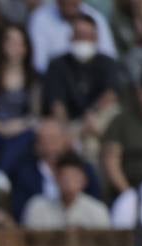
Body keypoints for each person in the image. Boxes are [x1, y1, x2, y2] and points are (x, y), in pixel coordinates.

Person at [42, 12, 122, 154]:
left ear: (96, 38)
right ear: (71, 37)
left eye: (87, 36)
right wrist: (68, 129)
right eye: (79, 35)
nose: (83, 40)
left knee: (111, 115)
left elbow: (111, 94)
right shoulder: (57, 65)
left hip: (97, 118)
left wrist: (93, 114)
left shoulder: (108, 63)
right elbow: (57, 104)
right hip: (71, 124)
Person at [0, 23, 41, 170]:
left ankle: (0, 173)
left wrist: (20, 125)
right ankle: (1, 175)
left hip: (22, 128)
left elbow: (36, 113)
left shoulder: (34, 77)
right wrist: (1, 127)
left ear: (26, 47)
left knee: (27, 138)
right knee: (11, 143)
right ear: (2, 44)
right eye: (10, 41)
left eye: (19, 42)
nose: (14, 46)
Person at [8, 116, 104, 217]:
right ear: (37, 145)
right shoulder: (25, 174)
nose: (50, 145)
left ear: (65, 140)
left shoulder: (83, 169)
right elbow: (21, 211)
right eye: (45, 140)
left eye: (54, 139)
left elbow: (95, 201)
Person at [102, 65, 142, 196]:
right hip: (129, 191)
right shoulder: (121, 121)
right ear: (140, 91)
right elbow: (111, 162)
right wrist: (130, 196)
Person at [22, 149, 113, 225]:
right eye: (65, 176)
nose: (69, 182)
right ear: (56, 178)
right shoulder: (37, 207)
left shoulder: (97, 210)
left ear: (84, 180)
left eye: (74, 177)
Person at [28, 0, 117, 72]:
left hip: (93, 82)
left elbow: (109, 57)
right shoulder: (40, 18)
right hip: (55, 81)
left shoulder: (96, 18)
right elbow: (39, 63)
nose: (68, 2)